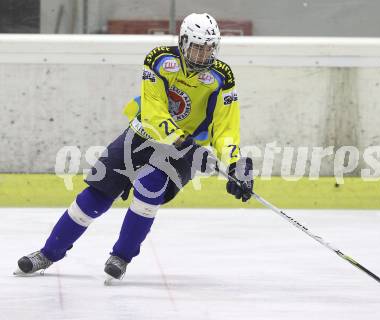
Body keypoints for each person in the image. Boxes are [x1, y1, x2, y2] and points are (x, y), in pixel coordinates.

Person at [15, 13, 254, 281]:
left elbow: (225, 129)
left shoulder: (222, 76)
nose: (203, 55)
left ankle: (121, 256)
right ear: (183, 42)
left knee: (150, 184)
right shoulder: (160, 60)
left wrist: (235, 163)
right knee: (94, 196)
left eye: (209, 48)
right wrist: (183, 144)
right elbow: (153, 114)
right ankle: (48, 253)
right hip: (144, 134)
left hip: (186, 149)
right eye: (198, 47)